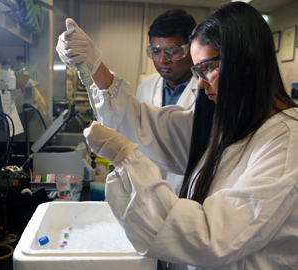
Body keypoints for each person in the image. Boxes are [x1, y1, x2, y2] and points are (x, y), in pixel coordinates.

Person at [56, 2, 298, 270]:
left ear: (247, 61)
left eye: (208, 68)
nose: (201, 83)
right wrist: (95, 67)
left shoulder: (287, 142)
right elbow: (150, 125)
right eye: (199, 71)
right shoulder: (234, 123)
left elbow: (211, 238)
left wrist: (127, 158)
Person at [137, 9, 198, 195]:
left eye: (172, 51)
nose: (162, 60)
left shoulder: (209, 90)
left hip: (188, 189)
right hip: (147, 187)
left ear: (191, 47)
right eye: (155, 51)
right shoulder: (145, 87)